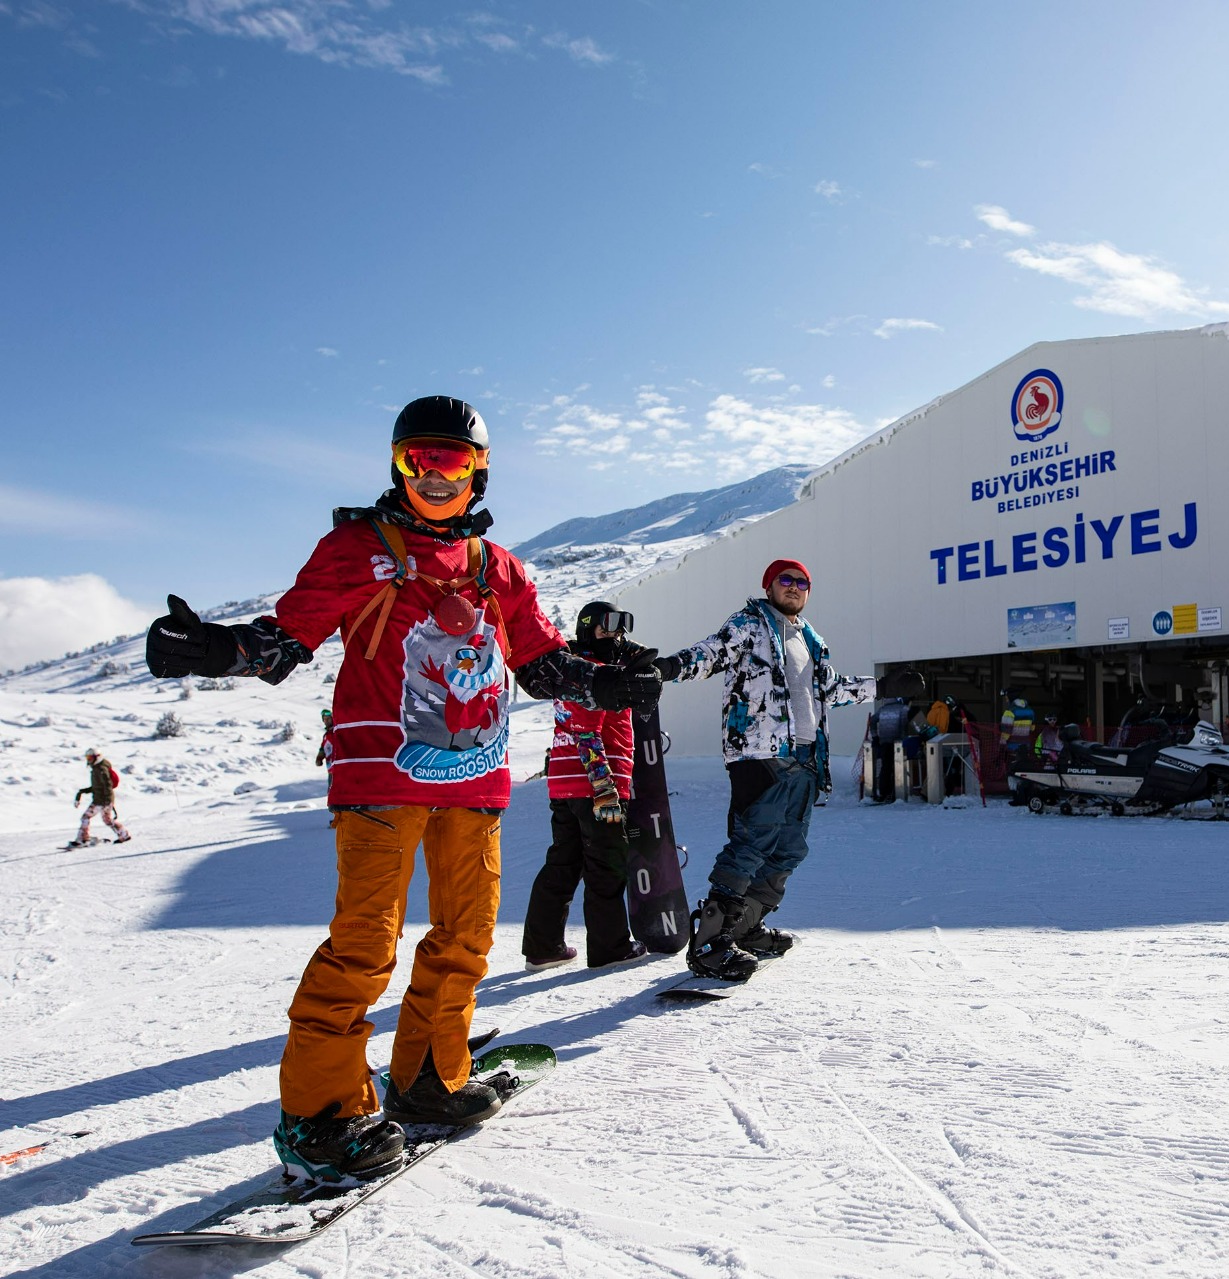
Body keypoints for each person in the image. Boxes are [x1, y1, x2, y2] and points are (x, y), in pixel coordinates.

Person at [144, 396, 661, 1184]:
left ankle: (428, 1077)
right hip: (381, 776)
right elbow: (285, 639)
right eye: (418, 459)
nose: (434, 476)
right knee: (364, 946)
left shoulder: (498, 568)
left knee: (466, 938)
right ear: (396, 465)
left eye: (451, 461)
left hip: (476, 781)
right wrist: (215, 648)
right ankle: (322, 1114)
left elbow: (545, 665)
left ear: (478, 470)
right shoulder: (358, 547)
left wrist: (611, 680)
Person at [654, 557, 875, 980]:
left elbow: (830, 688)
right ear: (769, 586)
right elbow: (711, 653)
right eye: (785, 580)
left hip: (806, 760)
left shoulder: (810, 637)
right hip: (759, 755)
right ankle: (709, 944)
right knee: (751, 844)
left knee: (789, 849)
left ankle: (745, 929)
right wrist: (668, 667)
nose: (794, 587)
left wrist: (882, 686)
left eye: (802, 582)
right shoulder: (748, 625)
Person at [521, 601, 651, 970]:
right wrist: (605, 787)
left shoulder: (571, 672)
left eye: (620, 628)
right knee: (606, 864)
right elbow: (585, 732)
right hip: (595, 786)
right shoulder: (593, 675)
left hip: (565, 786)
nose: (615, 635)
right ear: (587, 627)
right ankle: (610, 947)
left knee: (564, 862)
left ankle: (544, 947)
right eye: (606, 627)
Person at [69, 748, 130, 847]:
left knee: (86, 817)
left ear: (97, 757)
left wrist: (107, 800)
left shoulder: (101, 769)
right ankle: (124, 835)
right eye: (87, 758)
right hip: (104, 799)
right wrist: (83, 791)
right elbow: (98, 786)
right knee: (107, 820)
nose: (88, 760)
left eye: (90, 758)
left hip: (101, 800)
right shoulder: (97, 768)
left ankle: (82, 839)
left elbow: (107, 785)